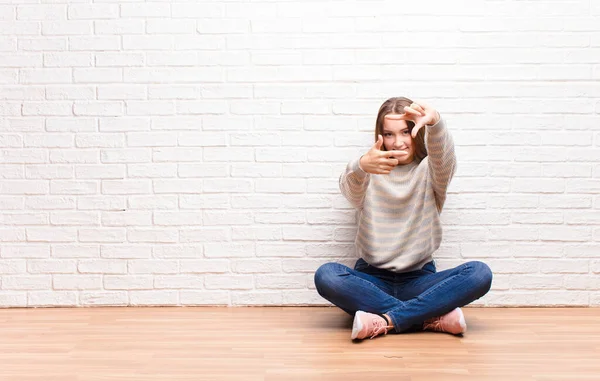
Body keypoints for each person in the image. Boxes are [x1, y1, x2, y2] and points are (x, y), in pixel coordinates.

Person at [314, 97, 493, 341]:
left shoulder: (431, 172)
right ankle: (428, 317)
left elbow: (444, 158)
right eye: (389, 134)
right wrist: (361, 166)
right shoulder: (369, 171)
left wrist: (436, 123)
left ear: (416, 133)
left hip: (419, 279)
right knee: (327, 275)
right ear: (380, 135)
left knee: (480, 273)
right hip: (371, 279)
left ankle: (386, 320)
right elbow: (349, 190)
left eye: (406, 132)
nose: (397, 142)